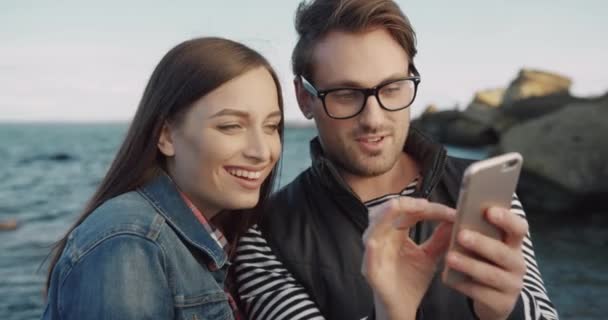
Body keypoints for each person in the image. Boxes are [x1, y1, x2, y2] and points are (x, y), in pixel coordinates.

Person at [233, 0, 558, 319]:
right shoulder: (262, 238)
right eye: (345, 94)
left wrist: (503, 312)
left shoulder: (486, 192)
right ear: (305, 98)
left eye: (392, 88)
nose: (373, 119)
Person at [42, 37, 284, 320]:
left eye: (271, 126)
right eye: (231, 126)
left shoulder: (222, 237)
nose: (262, 151)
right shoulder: (131, 242)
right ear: (166, 136)